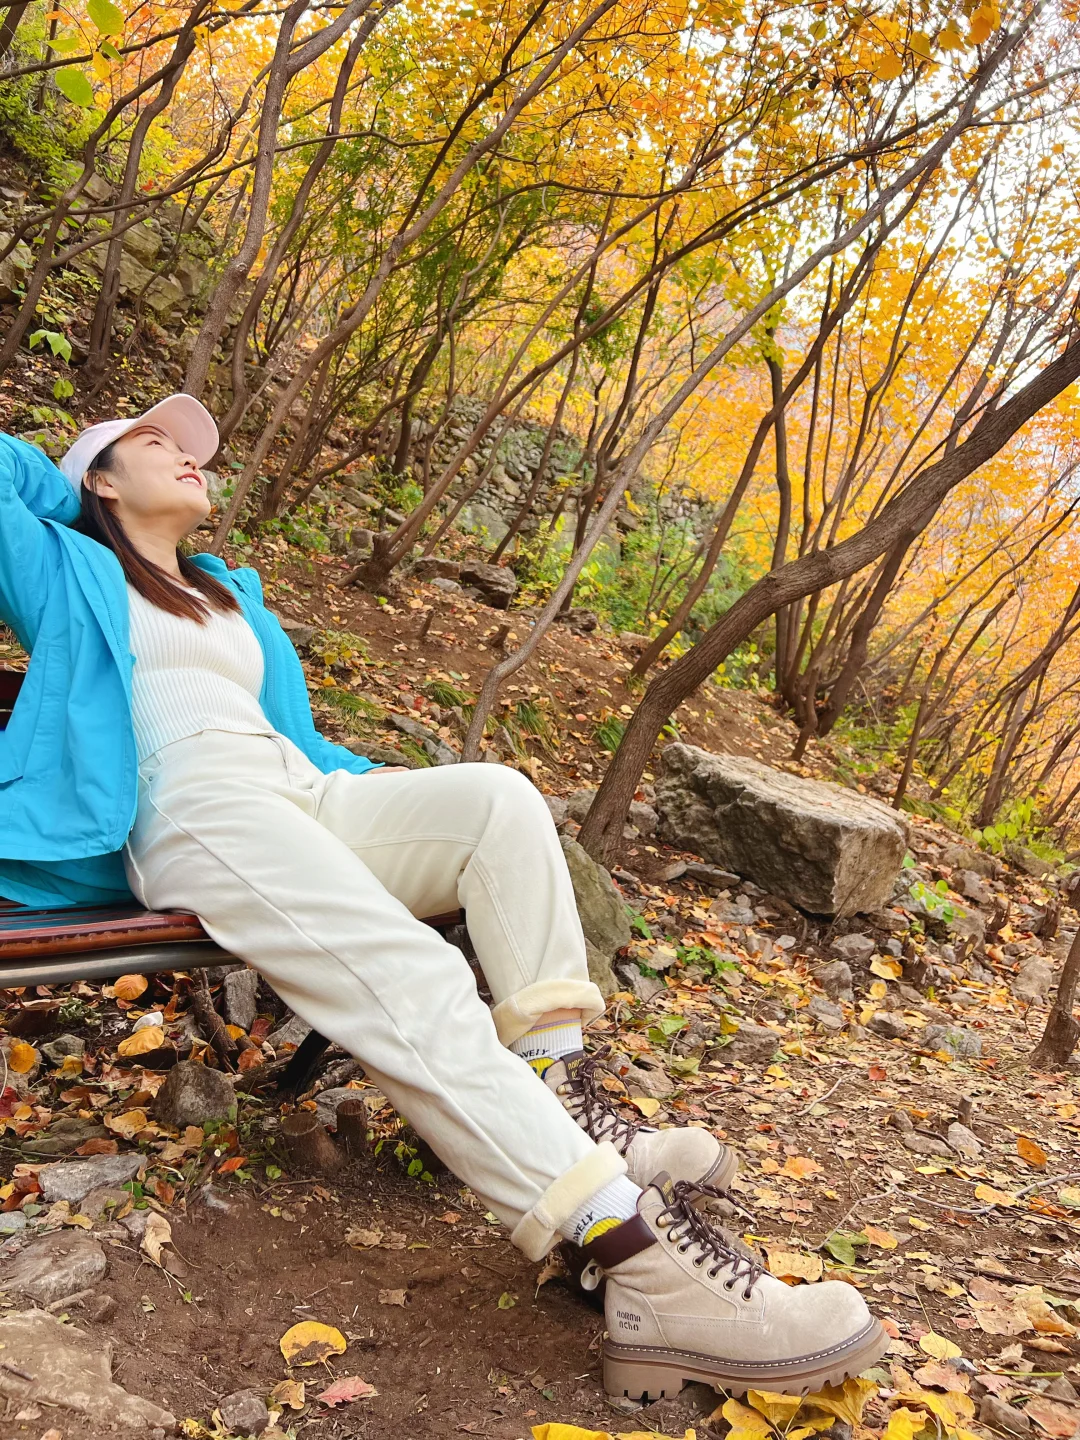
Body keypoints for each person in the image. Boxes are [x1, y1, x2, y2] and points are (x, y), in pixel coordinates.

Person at [0, 396, 886, 1398]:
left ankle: (558, 1096)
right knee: (413, 971)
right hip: (194, 807)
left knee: (496, 801)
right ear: (100, 483)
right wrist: (66, 481)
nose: (187, 457)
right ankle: (639, 1258)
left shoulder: (226, 594)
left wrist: (385, 792)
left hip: (297, 794)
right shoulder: (63, 568)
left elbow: (296, 737)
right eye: (151, 446)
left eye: (192, 447)